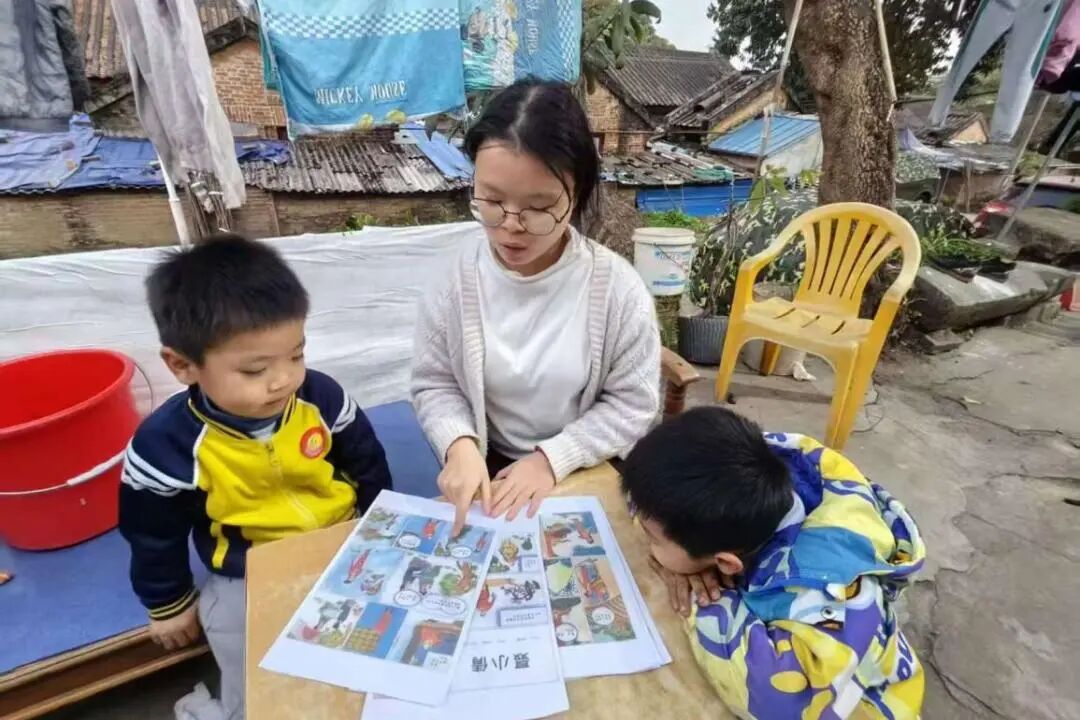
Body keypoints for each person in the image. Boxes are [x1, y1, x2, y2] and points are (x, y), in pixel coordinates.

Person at [118, 235, 391, 720]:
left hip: (344, 541)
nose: (284, 379)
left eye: (296, 355)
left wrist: (383, 525)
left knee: (381, 647)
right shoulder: (166, 445)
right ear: (182, 365)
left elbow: (367, 463)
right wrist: (168, 604)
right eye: (255, 369)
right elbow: (151, 534)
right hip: (247, 569)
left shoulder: (320, 398)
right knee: (256, 673)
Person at [412, 79, 661, 533]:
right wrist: (459, 443)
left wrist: (551, 460)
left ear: (578, 194)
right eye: (492, 200)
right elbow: (435, 382)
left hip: (585, 465)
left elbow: (632, 404)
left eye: (539, 207)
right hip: (489, 466)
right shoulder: (453, 280)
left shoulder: (618, 291)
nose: (511, 226)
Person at [622, 407, 926, 720]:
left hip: (859, 704)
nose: (644, 535)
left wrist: (705, 597)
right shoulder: (757, 464)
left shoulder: (823, 596)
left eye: (652, 538)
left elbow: (775, 702)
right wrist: (679, 557)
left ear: (725, 563)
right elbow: (649, 498)